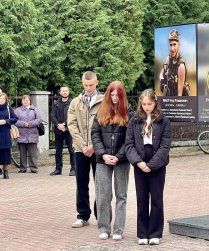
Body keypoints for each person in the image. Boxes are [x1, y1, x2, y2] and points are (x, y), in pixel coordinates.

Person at [125, 89, 172, 245]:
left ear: (155, 102)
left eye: (149, 104)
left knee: (157, 199)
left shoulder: (163, 120)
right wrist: (138, 162)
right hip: (140, 160)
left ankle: (155, 233)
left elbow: (165, 146)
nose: (146, 107)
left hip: (157, 161)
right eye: (143, 104)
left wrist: (152, 165)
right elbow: (129, 144)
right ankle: (142, 233)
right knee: (142, 198)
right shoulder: (134, 119)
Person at [91, 80, 133, 241]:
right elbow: (95, 134)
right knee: (103, 194)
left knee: (121, 195)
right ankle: (104, 227)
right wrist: (102, 154)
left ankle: (118, 229)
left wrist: (119, 156)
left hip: (121, 161)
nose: (115, 98)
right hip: (103, 160)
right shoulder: (101, 111)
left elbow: (130, 138)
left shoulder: (129, 113)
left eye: (118, 95)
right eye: (112, 94)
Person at [68, 71, 104, 228]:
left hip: (98, 149)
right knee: (81, 182)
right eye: (85, 85)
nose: (88, 88)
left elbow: (106, 125)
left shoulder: (105, 101)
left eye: (91, 85)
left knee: (101, 183)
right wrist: (83, 146)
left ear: (97, 82)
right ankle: (83, 215)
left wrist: (94, 146)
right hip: (80, 149)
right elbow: (72, 125)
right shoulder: (75, 102)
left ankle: (101, 215)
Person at [50, 86, 76, 176]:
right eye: (63, 91)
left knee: (71, 150)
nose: (64, 92)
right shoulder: (56, 103)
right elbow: (52, 115)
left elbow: (73, 116)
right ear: (60, 93)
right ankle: (58, 169)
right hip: (58, 130)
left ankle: (73, 169)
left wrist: (64, 124)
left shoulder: (72, 103)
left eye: (66, 91)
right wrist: (58, 125)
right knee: (58, 151)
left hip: (69, 130)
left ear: (68, 92)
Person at [14, 95, 42, 174]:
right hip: (21, 134)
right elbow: (14, 120)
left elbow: (39, 120)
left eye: (27, 100)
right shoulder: (17, 110)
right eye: (24, 100)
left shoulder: (35, 109)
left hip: (32, 134)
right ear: (21, 101)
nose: (25, 101)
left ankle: (33, 168)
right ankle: (23, 168)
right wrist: (23, 124)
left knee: (32, 153)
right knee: (22, 153)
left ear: (30, 101)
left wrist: (29, 124)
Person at [159, 29, 189, 96]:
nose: (172, 49)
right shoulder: (168, 59)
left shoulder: (181, 66)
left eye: (174, 45)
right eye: (170, 45)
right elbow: (161, 73)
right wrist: (162, 81)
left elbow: (179, 94)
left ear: (179, 45)